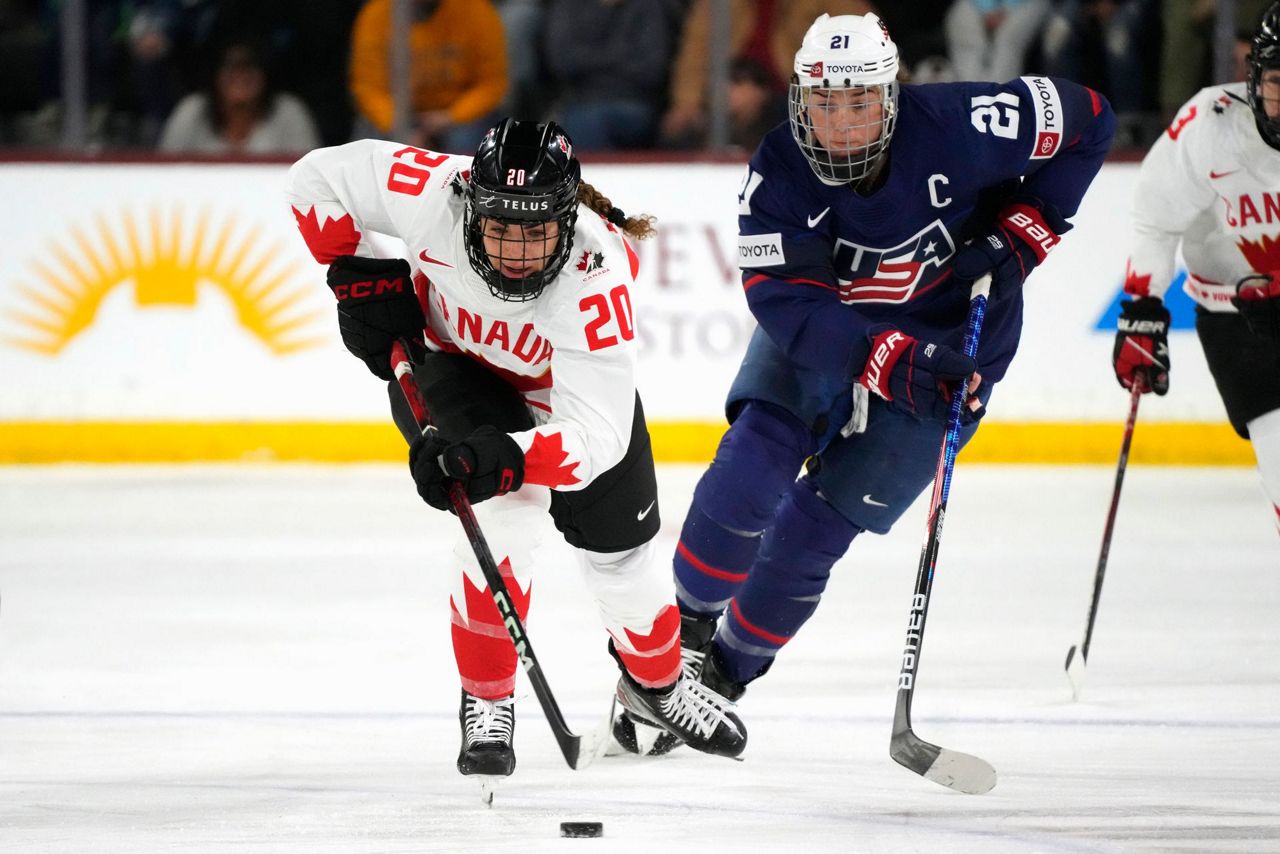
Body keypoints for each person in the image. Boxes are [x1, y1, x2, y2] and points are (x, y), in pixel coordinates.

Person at [614, 12, 1115, 753]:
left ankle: (719, 677)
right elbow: (787, 304)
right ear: (799, 101)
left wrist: (1026, 232)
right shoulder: (779, 171)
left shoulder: (967, 121)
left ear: (893, 95)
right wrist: (881, 358)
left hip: (956, 347)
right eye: (824, 103)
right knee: (751, 466)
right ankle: (672, 651)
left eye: (859, 104)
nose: (842, 124)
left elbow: (1092, 121)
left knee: (817, 530)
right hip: (831, 332)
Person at [284, 118, 748, 781]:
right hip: (452, 369)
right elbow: (315, 178)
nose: (517, 253)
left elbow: (596, 438)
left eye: (536, 231)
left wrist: (507, 455)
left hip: (565, 399)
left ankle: (661, 685)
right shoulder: (430, 193)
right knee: (505, 520)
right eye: (501, 226)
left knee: (622, 559)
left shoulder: (597, 274)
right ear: (470, 204)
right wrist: (354, 268)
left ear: (569, 218)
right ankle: (488, 697)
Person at [1112, 2, 1280, 536]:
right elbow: (1156, 220)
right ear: (1253, 76)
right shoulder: (1210, 126)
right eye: (1279, 79)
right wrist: (1142, 309)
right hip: (1240, 324)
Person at [659, 0, 874, 148]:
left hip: (796, 91)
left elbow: (859, 39)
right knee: (682, 130)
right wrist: (687, 102)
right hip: (727, 86)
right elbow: (695, 50)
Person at [348, 0, 507, 153]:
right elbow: (368, 87)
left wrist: (452, 116)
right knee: (370, 144)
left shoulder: (475, 10)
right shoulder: (377, 13)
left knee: (464, 142)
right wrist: (398, 126)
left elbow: (491, 84)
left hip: (455, 112)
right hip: (399, 113)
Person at [158, 38, 320, 155]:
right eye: (231, 68)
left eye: (248, 67)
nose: (240, 77)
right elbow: (164, 172)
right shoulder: (191, 111)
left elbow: (309, 176)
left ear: (264, 75)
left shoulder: (289, 112)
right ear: (215, 75)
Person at [945, 0, 1051, 84]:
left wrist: (1007, 9)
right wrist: (986, 9)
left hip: (1027, 3)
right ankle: (969, 95)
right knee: (965, 28)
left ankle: (1002, 97)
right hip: (977, 4)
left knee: (1007, 38)